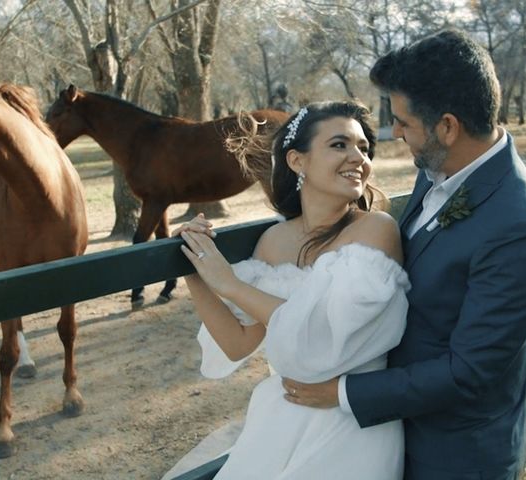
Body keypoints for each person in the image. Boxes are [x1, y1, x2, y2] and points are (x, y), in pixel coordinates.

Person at [281, 29, 526, 479]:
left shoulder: (522, 230)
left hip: (452, 454)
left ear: (447, 127)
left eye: (405, 123)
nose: (396, 133)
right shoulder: (437, 169)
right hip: (388, 434)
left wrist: (342, 393)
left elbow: (469, 371)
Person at [172, 101, 410, 479]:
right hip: (281, 415)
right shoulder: (273, 240)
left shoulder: (375, 229)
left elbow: (323, 339)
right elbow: (238, 343)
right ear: (297, 161)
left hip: (349, 426)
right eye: (339, 145)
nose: (358, 158)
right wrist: (196, 268)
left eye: (364, 148)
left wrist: (231, 285)